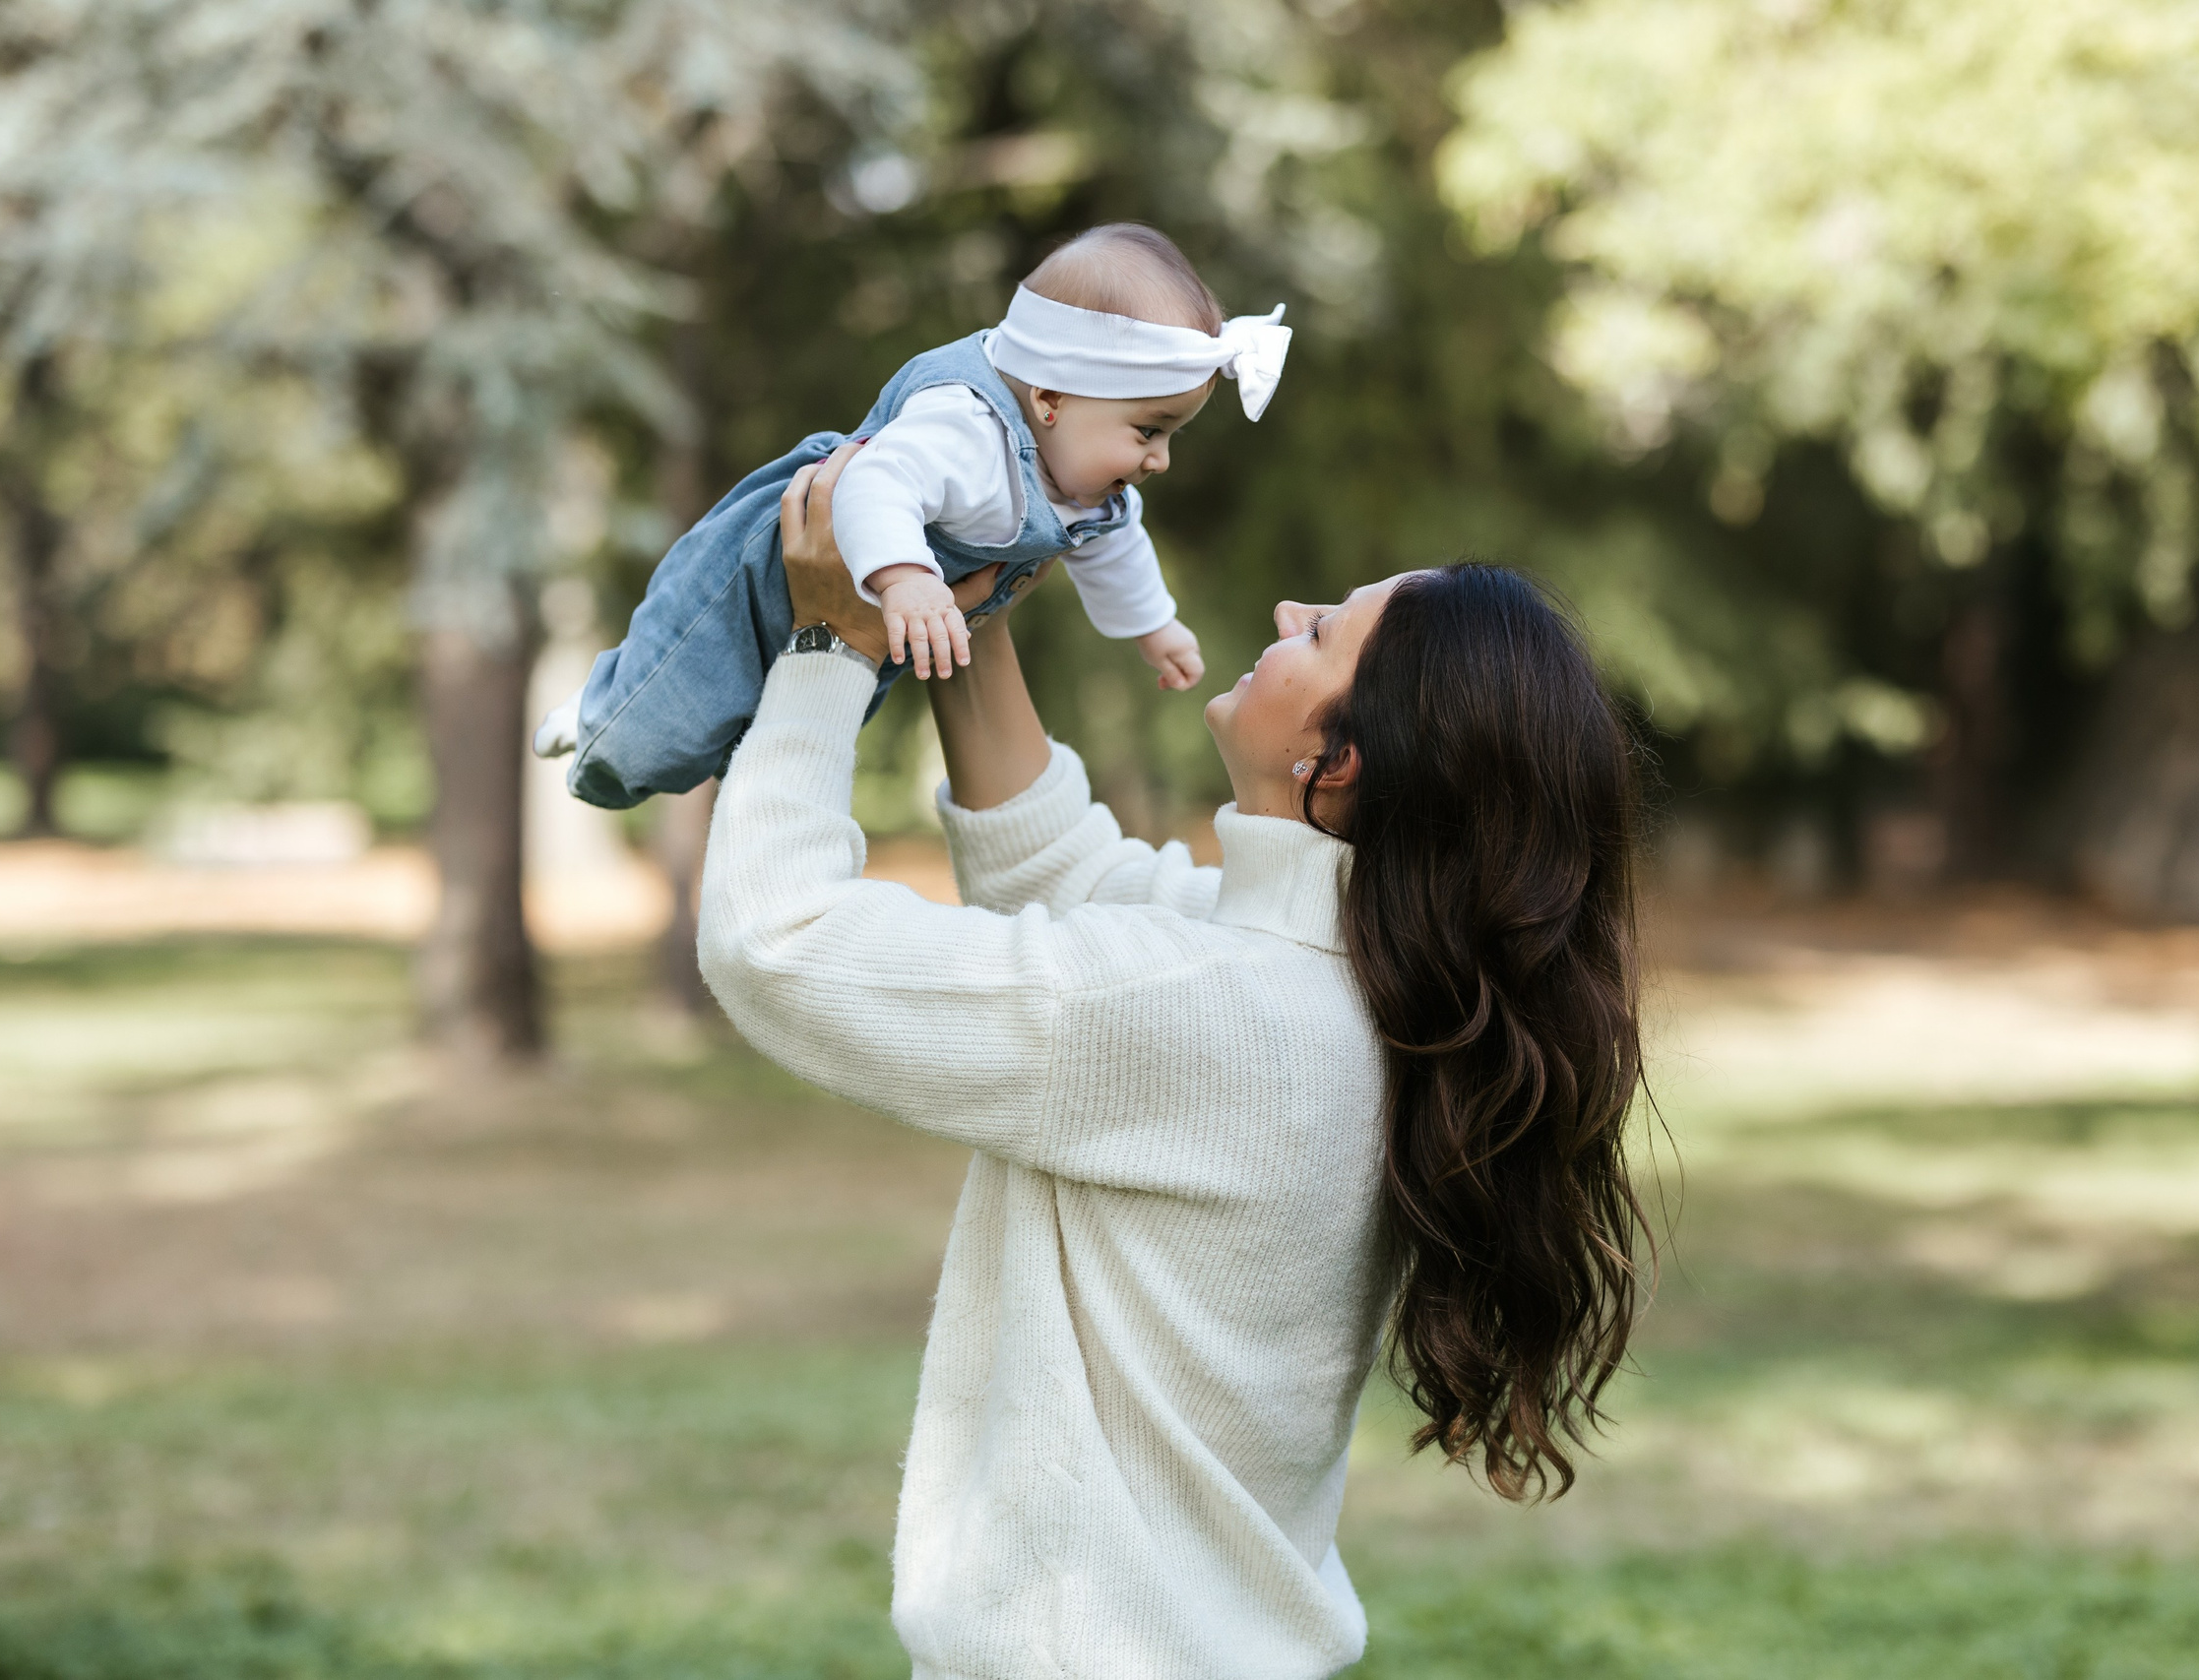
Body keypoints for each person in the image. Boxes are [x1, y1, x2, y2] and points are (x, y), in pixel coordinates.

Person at [695, 444, 1651, 1676]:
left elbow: (776, 945)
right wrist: (960, 592)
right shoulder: (1358, 992)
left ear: (1336, 760)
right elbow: (1063, 882)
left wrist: (832, 646)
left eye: (1327, 634)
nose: (1287, 613)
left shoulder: (1206, 1012)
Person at [534, 222, 1290, 810]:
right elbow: (875, 484)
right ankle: (600, 713)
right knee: (670, 709)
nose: (1158, 459)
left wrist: (1153, 626)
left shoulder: (1084, 487)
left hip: (875, 623)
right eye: (1149, 431)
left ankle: (729, 779)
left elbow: (1118, 544)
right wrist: (905, 580)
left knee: (778, 730)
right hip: (768, 573)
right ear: (1052, 400)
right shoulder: (965, 424)